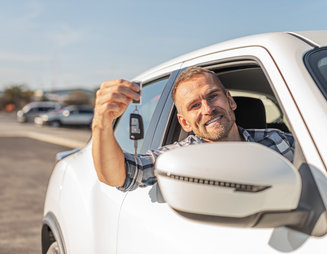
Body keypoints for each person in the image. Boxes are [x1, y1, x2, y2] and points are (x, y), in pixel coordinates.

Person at [92, 67, 295, 191]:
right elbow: (120, 175)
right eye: (194, 106)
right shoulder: (178, 159)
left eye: (213, 96)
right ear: (184, 122)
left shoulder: (279, 141)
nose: (208, 109)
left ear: (230, 100)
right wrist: (102, 122)